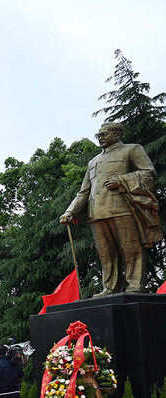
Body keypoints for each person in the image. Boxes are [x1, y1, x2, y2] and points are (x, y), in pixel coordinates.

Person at [60, 121, 163, 295]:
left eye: (104, 134)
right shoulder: (93, 161)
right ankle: (110, 287)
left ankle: (135, 285)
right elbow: (84, 191)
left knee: (131, 248)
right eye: (98, 135)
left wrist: (121, 180)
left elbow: (149, 172)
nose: (100, 138)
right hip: (97, 212)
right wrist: (71, 211)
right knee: (106, 254)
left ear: (117, 134)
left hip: (122, 208)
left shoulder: (131, 149)